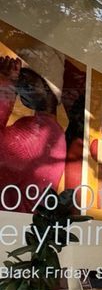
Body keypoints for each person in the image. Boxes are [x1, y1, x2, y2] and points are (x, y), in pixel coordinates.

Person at [0, 45, 67, 213]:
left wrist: (6, 84)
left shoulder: (41, 130)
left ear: (48, 87)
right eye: (20, 77)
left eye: (27, 77)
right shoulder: (51, 130)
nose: (20, 82)